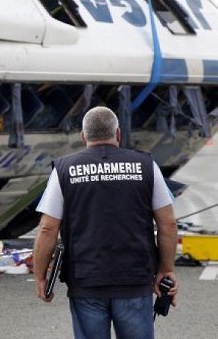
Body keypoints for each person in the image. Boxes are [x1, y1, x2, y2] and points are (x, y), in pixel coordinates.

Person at [33, 106, 179, 339]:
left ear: (83, 137)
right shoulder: (146, 165)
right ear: (118, 134)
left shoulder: (64, 169)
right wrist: (166, 269)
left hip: (86, 280)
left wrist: (41, 276)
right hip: (134, 279)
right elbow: (168, 224)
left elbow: (48, 228)